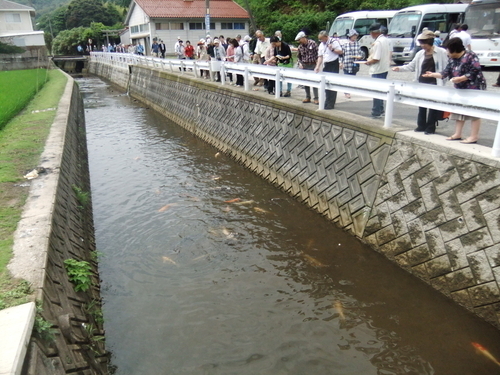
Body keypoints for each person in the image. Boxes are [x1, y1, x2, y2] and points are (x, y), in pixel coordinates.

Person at [422, 37, 486, 144]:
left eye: (448, 49)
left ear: (454, 49)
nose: (447, 52)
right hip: (459, 88)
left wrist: (461, 78)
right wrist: (432, 74)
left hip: (473, 88)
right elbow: (445, 73)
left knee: (474, 113)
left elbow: (475, 70)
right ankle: (457, 133)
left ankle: (474, 136)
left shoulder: (470, 56)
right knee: (458, 111)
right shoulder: (452, 59)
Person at [392, 30, 449, 134]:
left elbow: (446, 68)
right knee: (421, 105)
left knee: (433, 106)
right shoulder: (420, 54)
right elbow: (411, 66)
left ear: (430, 42)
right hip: (422, 82)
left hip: (434, 83)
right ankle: (421, 125)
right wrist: (399, 68)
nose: (422, 45)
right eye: (421, 43)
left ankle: (430, 127)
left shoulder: (441, 52)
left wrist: (443, 81)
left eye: (424, 43)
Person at [365, 23, 391, 118]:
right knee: (381, 90)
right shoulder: (385, 40)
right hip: (384, 68)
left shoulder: (378, 42)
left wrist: (368, 62)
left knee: (376, 91)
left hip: (377, 69)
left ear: (373, 33)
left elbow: (376, 58)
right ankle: (381, 109)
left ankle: (376, 111)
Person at [315, 30, 343, 110]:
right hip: (326, 64)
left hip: (333, 63)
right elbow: (320, 56)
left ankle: (331, 103)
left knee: (332, 84)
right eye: (319, 39)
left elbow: (340, 52)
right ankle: (327, 101)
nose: (320, 40)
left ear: (326, 37)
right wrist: (317, 66)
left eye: (321, 39)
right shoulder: (321, 45)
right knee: (326, 84)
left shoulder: (334, 41)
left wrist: (333, 49)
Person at [296, 30, 319, 104]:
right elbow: (299, 57)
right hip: (305, 65)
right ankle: (307, 96)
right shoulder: (300, 47)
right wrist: (300, 63)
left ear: (303, 38)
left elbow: (318, 54)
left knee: (314, 82)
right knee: (306, 82)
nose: (299, 41)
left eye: (300, 39)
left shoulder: (313, 43)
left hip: (312, 64)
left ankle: (316, 98)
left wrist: (318, 65)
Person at [340, 29, 362, 99]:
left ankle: (350, 90)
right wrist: (341, 62)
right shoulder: (345, 44)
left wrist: (360, 56)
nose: (355, 37)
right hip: (347, 63)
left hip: (355, 63)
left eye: (356, 36)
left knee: (352, 77)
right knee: (346, 77)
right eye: (354, 36)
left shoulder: (358, 43)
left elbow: (360, 53)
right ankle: (347, 92)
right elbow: (341, 54)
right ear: (350, 36)